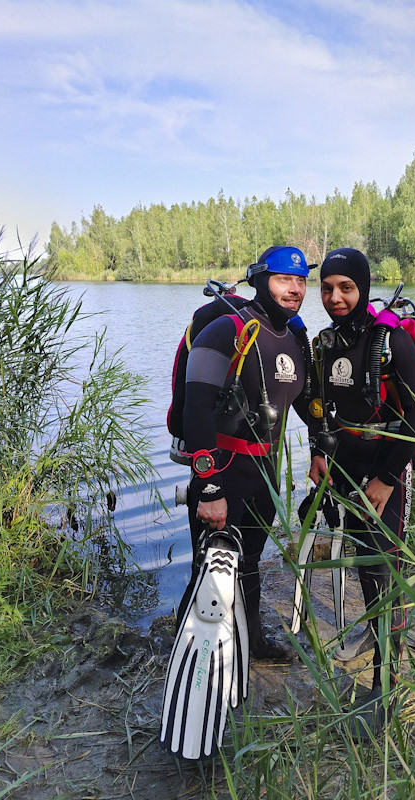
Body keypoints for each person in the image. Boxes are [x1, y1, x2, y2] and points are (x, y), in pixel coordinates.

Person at [308, 247, 415, 739]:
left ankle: (387, 684)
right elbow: (320, 406)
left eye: (346, 288)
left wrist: (384, 479)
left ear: (362, 287)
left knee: (385, 568)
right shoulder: (327, 342)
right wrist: (319, 450)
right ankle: (383, 649)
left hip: (386, 469)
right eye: (328, 287)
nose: (335, 297)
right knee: (364, 563)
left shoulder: (391, 342)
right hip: (345, 466)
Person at [181, 245, 312, 661]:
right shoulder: (226, 330)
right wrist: (209, 487)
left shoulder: (294, 338)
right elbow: (195, 411)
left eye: (300, 281)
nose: (294, 289)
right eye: (283, 279)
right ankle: (192, 657)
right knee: (209, 569)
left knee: (250, 561)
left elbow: (307, 404)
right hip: (222, 471)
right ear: (259, 280)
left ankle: (251, 643)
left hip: (263, 474)